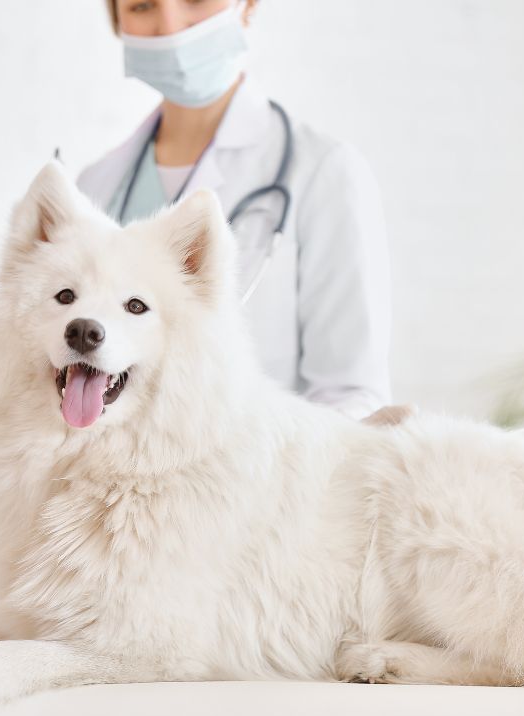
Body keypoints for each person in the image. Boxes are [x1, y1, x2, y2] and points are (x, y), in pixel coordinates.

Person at [76, 0, 405, 423]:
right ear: (118, 21)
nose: (171, 26)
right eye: (142, 6)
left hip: (262, 479)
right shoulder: (94, 187)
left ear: (248, 6)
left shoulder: (322, 171)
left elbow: (350, 395)